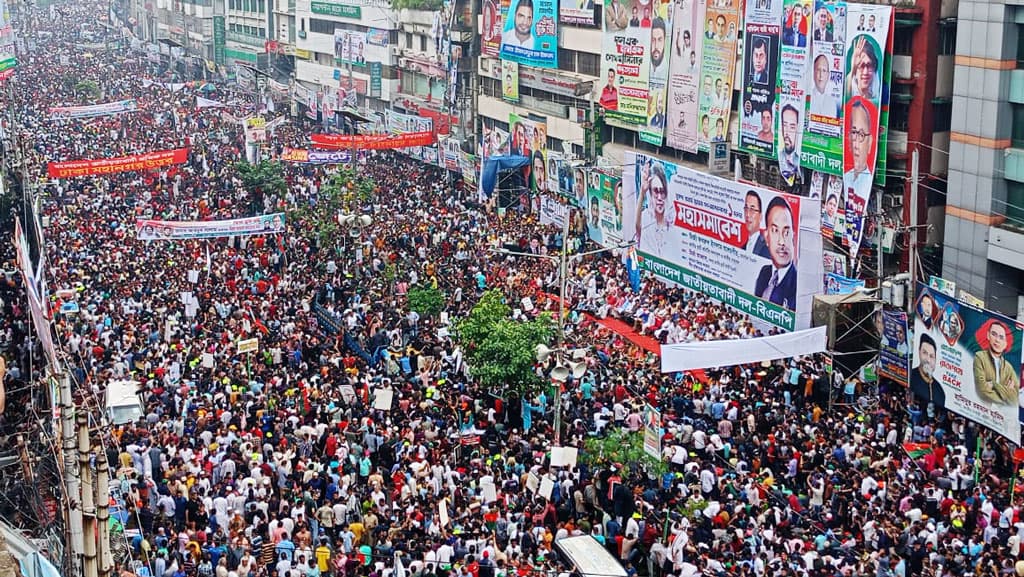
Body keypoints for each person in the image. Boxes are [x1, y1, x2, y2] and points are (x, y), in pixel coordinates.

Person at [754, 196, 797, 308]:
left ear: (794, 237)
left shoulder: (797, 284)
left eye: (787, 232)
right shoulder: (764, 273)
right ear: (766, 236)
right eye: (775, 231)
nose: (782, 242)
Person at [973, 319, 1019, 406]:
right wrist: (1005, 394)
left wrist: (993, 384)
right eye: (994, 334)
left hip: (1001, 415)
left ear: (1005, 343)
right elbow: (982, 391)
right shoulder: (980, 357)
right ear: (988, 335)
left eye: (1001, 337)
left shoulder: (1008, 368)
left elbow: (1015, 400)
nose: (997, 340)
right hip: (981, 410)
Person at [634, 159, 671, 255]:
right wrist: (642, 193)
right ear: (650, 192)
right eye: (656, 191)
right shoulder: (646, 217)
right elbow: (637, 227)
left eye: (662, 191)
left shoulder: (671, 223)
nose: (659, 198)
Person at [843, 100, 875, 211]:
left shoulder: (869, 180)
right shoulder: (845, 176)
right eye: (853, 133)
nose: (856, 144)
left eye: (861, 135)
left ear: (870, 142)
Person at [909, 333, 945, 410]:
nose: (928, 360)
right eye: (925, 353)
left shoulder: (939, 391)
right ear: (919, 352)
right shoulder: (910, 376)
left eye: (932, 356)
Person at [846, 36, 879, 100]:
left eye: (869, 66)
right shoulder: (848, 90)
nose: (865, 72)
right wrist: (853, 69)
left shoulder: (876, 96)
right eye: (861, 66)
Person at [809, 54, 839, 119]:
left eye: (824, 70)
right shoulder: (808, 98)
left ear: (828, 75)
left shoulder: (832, 103)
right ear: (813, 72)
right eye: (818, 70)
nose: (821, 75)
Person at [743, 190, 770, 259]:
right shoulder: (742, 247)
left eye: (752, 209)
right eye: (746, 208)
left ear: (760, 217)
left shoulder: (766, 248)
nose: (748, 214)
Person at [778, 104, 800, 182]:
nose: (787, 132)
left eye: (792, 127)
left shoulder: (800, 159)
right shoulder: (779, 155)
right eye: (784, 125)